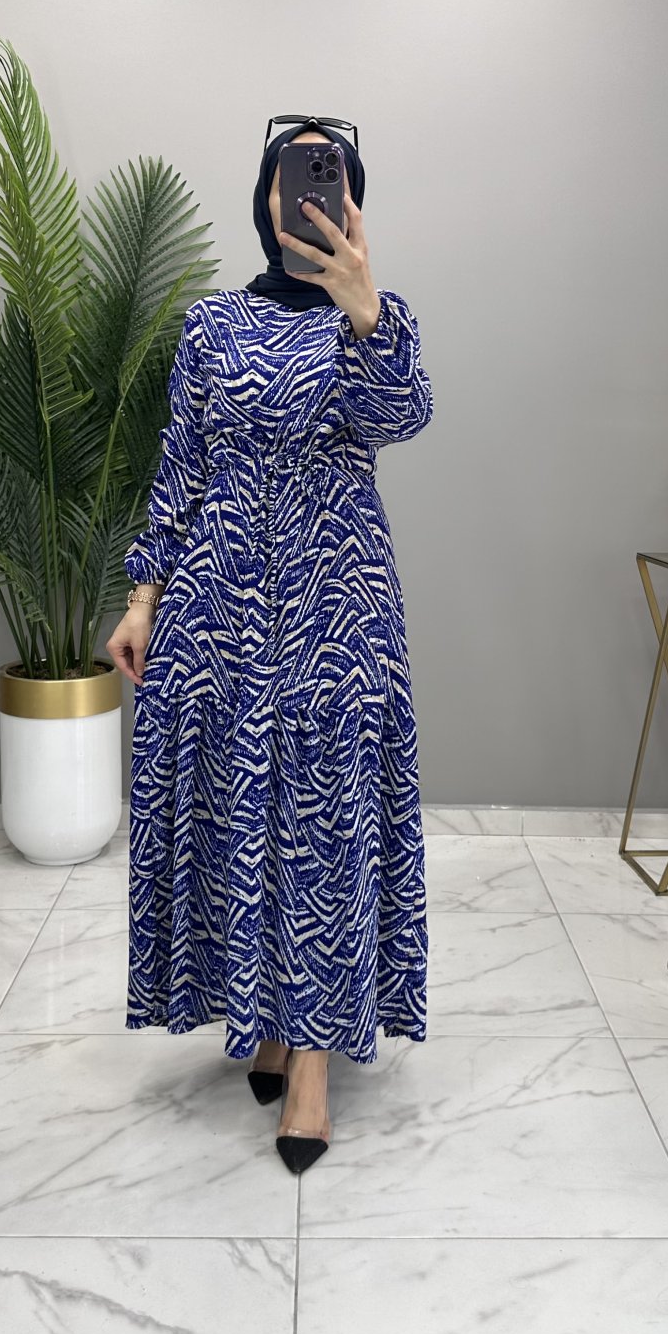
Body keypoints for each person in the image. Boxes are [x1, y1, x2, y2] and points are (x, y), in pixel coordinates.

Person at [107, 115, 434, 1173]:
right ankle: (265, 1014)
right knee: (238, 809)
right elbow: (181, 461)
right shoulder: (210, 324)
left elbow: (401, 418)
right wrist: (143, 597)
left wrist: (366, 311)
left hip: (338, 604)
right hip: (220, 602)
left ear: (350, 201)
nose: (306, 196)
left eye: (327, 179)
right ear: (266, 195)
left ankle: (310, 1068)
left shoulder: (375, 318)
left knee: (324, 818)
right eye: (291, 177)